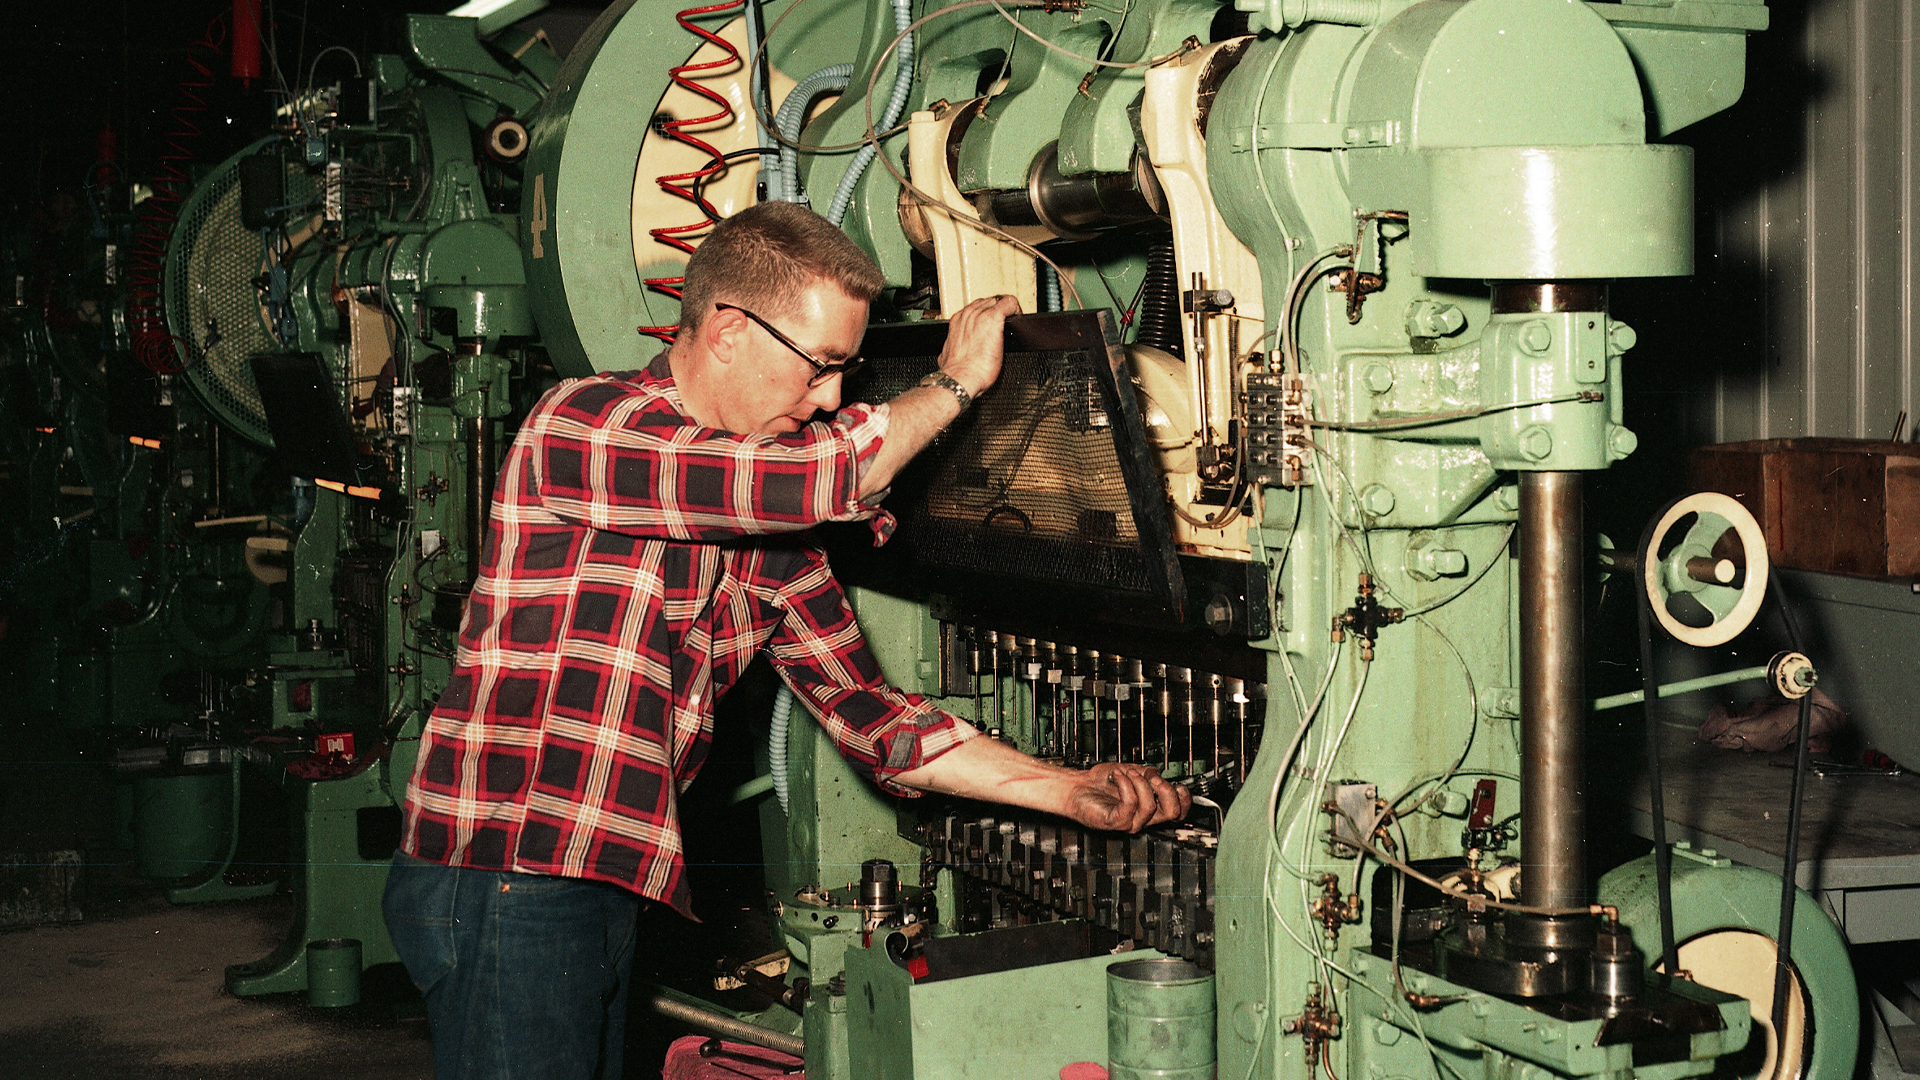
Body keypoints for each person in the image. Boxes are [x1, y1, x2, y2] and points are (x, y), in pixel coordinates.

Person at [383, 201, 1190, 1080]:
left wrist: (1069, 793)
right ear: (727, 331)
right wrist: (955, 384)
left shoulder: (768, 541)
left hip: (598, 885)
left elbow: (881, 724)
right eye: (821, 367)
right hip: (507, 875)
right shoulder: (587, 426)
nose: (832, 397)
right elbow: (817, 480)